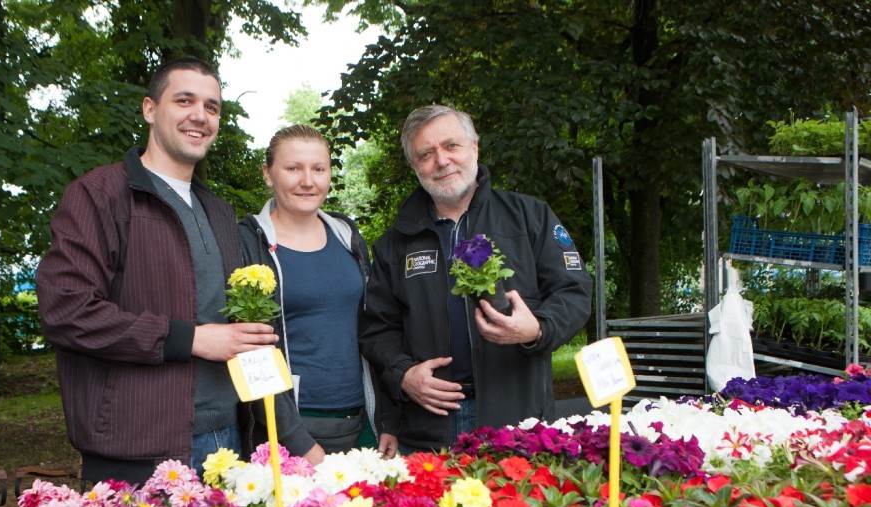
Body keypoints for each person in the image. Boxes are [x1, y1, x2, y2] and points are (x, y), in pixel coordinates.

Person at [37, 56, 295, 484]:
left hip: (227, 435)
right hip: (137, 445)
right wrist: (191, 338)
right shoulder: (100, 195)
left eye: (212, 107)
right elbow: (67, 310)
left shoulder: (218, 211)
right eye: (184, 100)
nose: (200, 116)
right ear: (150, 109)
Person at [359, 105, 592, 452]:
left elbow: (574, 292)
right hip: (428, 428)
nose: (441, 161)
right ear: (414, 166)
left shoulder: (530, 217)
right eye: (426, 154)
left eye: (451, 146)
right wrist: (403, 374)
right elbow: (377, 329)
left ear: (475, 147)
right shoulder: (396, 242)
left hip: (517, 419)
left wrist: (538, 329)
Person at [239, 125, 398, 459]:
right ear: (268, 174)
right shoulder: (247, 242)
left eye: (318, 169)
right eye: (293, 168)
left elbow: (373, 328)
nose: (308, 181)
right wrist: (299, 443)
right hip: (293, 427)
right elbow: (249, 352)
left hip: (361, 419)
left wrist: (387, 419)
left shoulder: (347, 235)